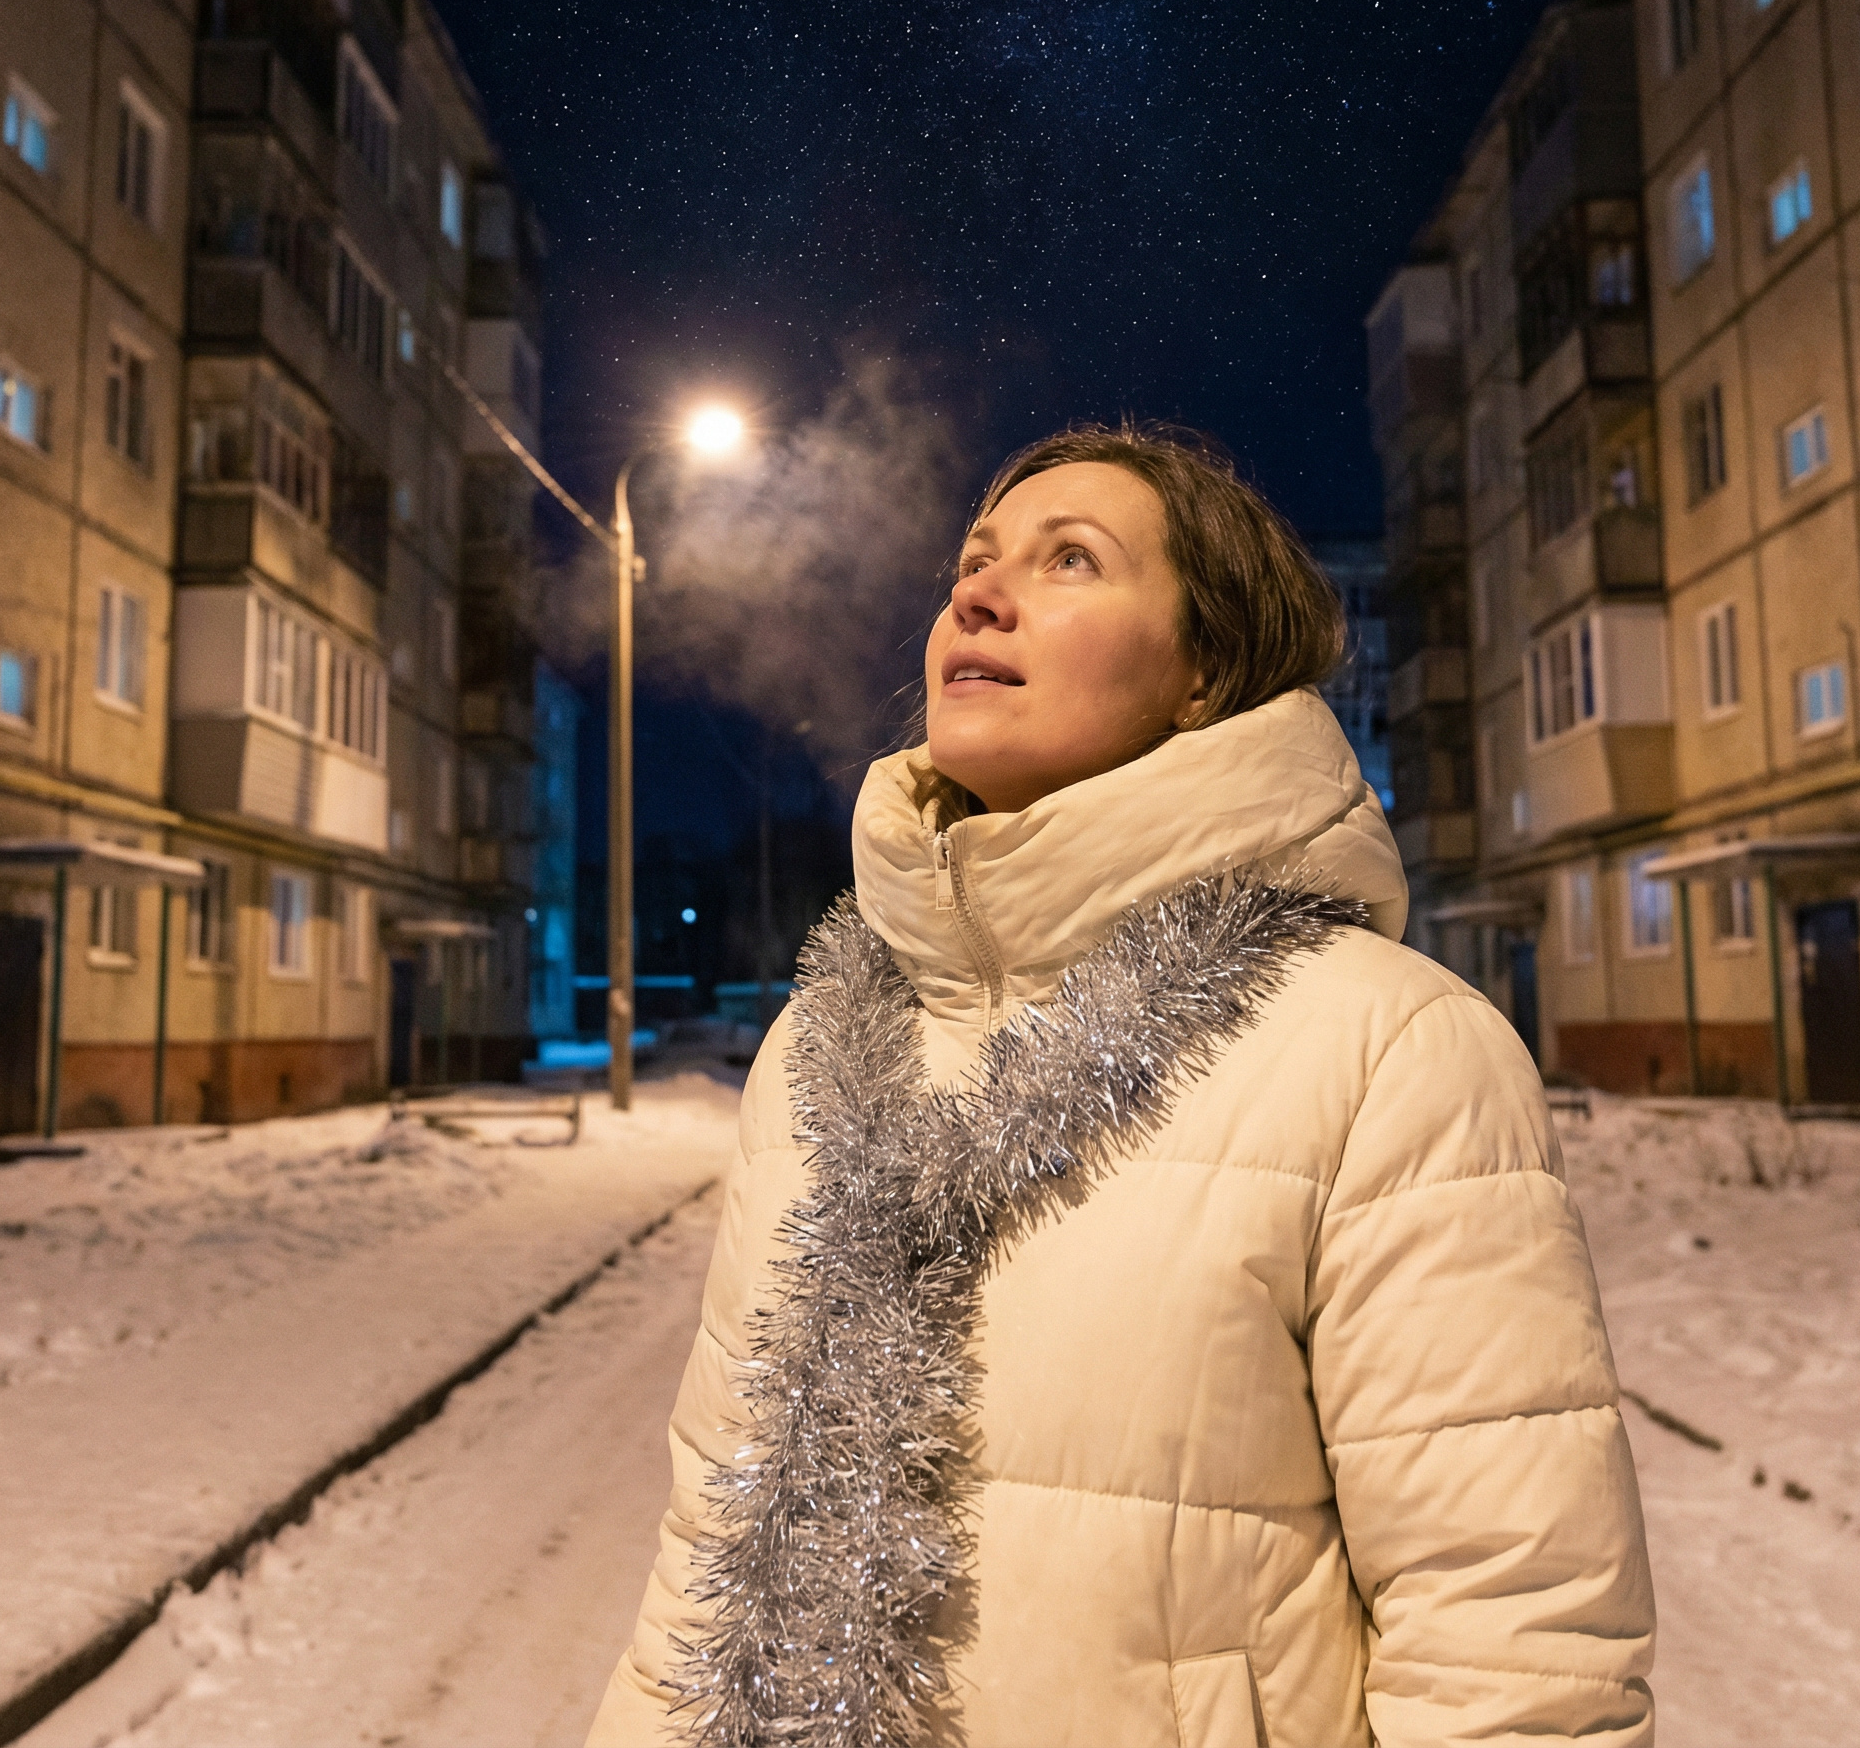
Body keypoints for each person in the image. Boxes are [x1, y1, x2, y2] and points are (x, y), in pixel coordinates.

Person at [588, 424, 1655, 1748]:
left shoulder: (1392, 1051)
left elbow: (1515, 1638)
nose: (980, 595)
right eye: (974, 562)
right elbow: (708, 1560)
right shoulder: (822, 1049)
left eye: (1070, 560)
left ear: (1204, 671)